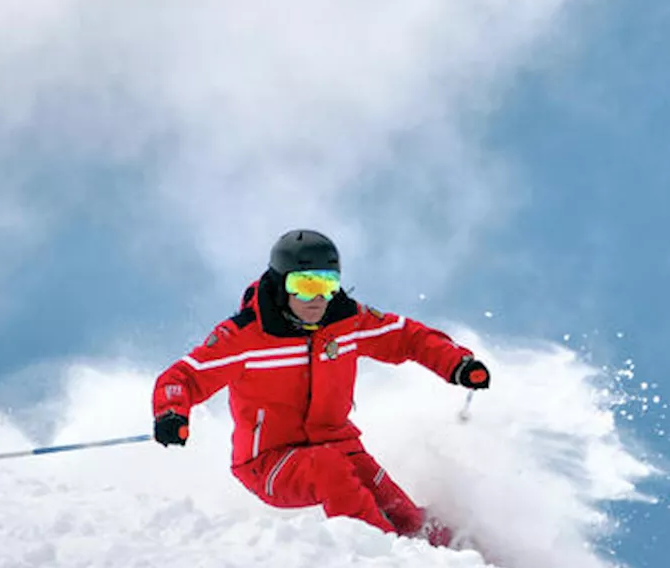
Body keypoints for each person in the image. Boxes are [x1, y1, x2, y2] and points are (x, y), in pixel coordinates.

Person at [151, 229, 490, 544]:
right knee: (329, 468)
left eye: (327, 285)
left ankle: (460, 553)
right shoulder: (246, 337)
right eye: (305, 285)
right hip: (269, 462)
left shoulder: (345, 321)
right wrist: (171, 414)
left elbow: (406, 337)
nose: (317, 299)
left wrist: (456, 363)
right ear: (282, 284)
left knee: (397, 507)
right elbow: (184, 377)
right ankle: (388, 557)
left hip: (340, 446)